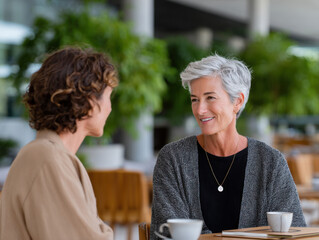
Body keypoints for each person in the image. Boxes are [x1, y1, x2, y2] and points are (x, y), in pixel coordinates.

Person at [150, 54, 306, 239]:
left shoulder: (270, 161)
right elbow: (165, 233)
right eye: (195, 99)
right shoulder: (173, 159)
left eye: (210, 98)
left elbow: (295, 231)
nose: (200, 110)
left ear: (237, 101)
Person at [0, 47, 118, 240]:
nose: (109, 107)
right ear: (88, 100)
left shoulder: (47, 154)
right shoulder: (48, 159)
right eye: (107, 96)